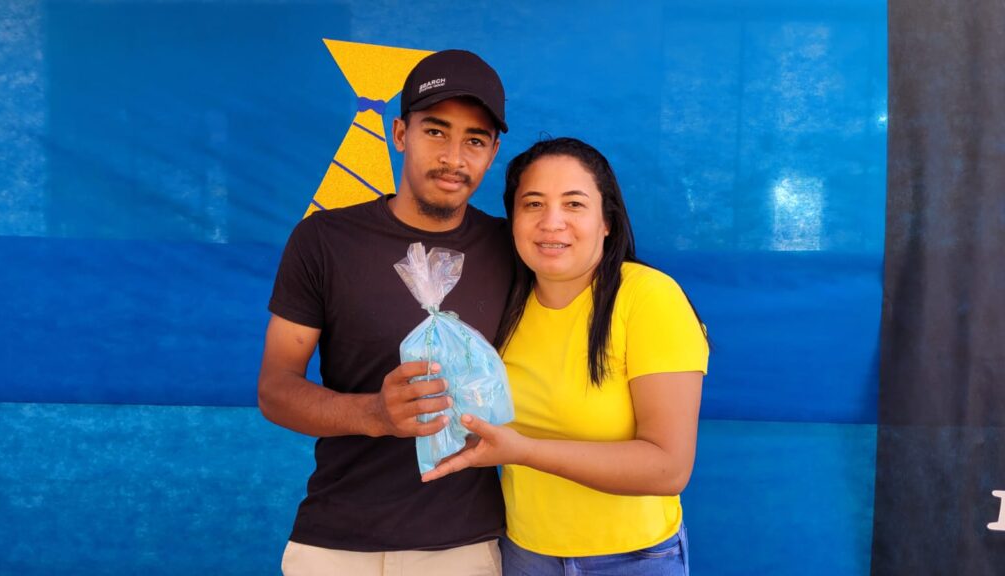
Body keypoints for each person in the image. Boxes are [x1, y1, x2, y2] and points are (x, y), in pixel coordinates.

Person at [258, 49, 513, 576]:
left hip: (462, 547)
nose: (453, 158)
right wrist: (374, 414)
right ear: (400, 133)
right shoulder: (324, 240)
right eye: (435, 131)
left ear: (492, 153)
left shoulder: (512, 250)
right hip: (336, 542)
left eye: (475, 140)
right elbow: (276, 389)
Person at [421, 137, 710, 575]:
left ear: (607, 220)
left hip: (630, 560)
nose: (551, 222)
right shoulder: (504, 307)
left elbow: (668, 468)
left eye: (574, 204)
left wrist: (524, 451)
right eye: (533, 204)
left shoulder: (649, 298)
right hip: (524, 554)